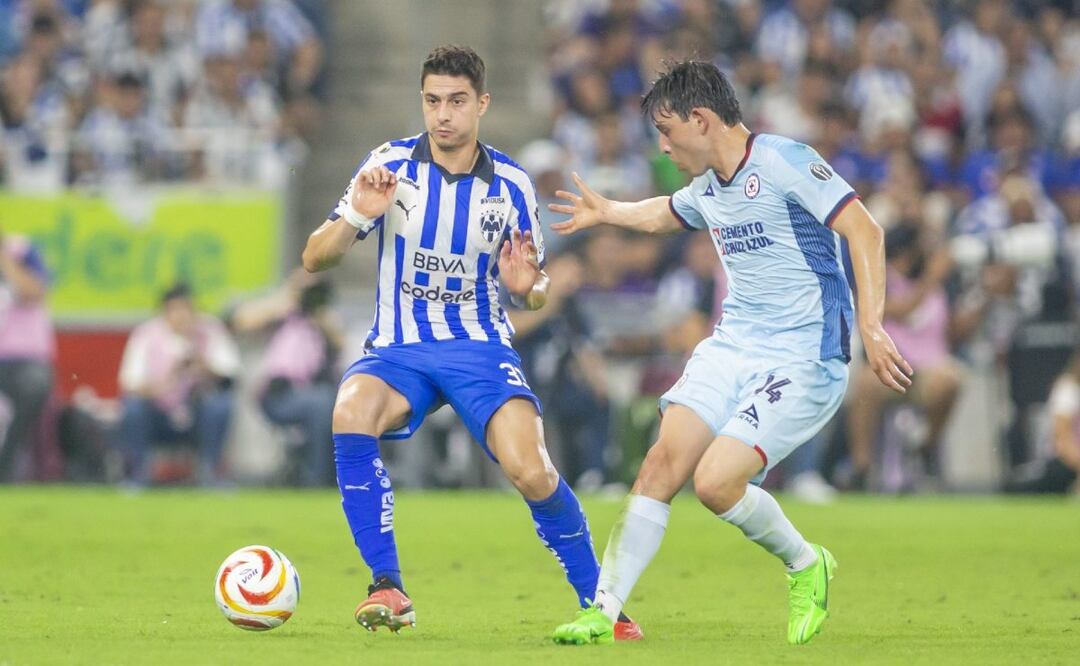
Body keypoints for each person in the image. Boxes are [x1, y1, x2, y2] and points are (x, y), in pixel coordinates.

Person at [549, 60, 911, 646]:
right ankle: (605, 610)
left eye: (668, 132)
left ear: (702, 118)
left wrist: (870, 325)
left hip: (804, 356)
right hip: (733, 344)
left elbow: (865, 230)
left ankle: (805, 563)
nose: (662, 146)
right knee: (661, 461)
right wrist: (609, 211)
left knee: (716, 483)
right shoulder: (708, 186)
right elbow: (669, 213)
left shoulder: (784, 161)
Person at [300, 45, 641, 639]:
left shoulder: (510, 184)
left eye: (457, 102)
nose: (443, 115)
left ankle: (604, 606)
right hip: (398, 347)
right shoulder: (387, 166)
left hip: (479, 346)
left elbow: (533, 288)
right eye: (433, 101)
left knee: (532, 471)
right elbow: (313, 259)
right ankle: (387, 585)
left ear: (481, 104)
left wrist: (527, 286)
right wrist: (358, 215)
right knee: (350, 411)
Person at [117, 283, 240, 487]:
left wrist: (202, 366)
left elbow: (231, 375)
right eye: (176, 310)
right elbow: (129, 384)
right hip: (158, 414)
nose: (182, 316)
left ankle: (211, 473)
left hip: (197, 413)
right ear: (164, 312)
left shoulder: (210, 330)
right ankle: (138, 474)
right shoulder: (147, 334)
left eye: (187, 309)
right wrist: (165, 383)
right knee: (133, 407)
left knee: (220, 404)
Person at [228, 269, 342, 487]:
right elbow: (242, 320)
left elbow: (340, 342)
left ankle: (320, 476)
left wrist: (318, 310)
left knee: (323, 402)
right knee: (320, 403)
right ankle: (316, 479)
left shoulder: (323, 318)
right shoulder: (281, 314)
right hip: (278, 394)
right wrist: (291, 294)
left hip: (314, 392)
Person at [0, 227, 55, 482]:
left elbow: (32, 292)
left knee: (35, 384)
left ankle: (7, 464)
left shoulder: (21, 250)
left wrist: (5, 260)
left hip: (20, 359)